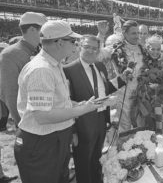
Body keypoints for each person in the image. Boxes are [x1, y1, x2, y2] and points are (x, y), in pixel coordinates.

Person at [14, 20, 103, 183]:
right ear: (60, 42)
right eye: (73, 41)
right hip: (41, 142)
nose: (75, 45)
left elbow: (57, 103)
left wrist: (79, 105)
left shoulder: (54, 65)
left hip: (53, 139)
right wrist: (82, 110)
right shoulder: (42, 69)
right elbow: (43, 116)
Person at [63, 35, 128, 183]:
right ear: (80, 47)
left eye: (95, 48)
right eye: (87, 47)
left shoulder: (99, 66)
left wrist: (122, 79)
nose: (91, 51)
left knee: (97, 160)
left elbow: (104, 90)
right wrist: (72, 131)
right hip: (82, 125)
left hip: (100, 121)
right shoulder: (68, 70)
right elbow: (66, 103)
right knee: (83, 164)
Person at [0, 12, 47, 128]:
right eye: (45, 29)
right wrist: (22, 124)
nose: (48, 33)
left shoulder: (42, 50)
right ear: (32, 29)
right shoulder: (10, 54)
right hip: (29, 123)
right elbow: (10, 94)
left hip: (46, 117)